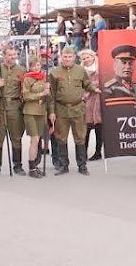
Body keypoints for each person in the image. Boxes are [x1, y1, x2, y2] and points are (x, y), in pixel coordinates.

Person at [48, 46, 100, 175]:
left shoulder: (80, 70)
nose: (67, 59)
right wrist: (52, 111)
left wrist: (94, 89)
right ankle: (63, 165)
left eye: (69, 56)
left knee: (80, 137)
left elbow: (86, 84)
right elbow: (51, 94)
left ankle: (82, 165)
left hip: (77, 108)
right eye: (65, 56)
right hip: (61, 109)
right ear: (61, 58)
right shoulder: (54, 73)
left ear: (74, 58)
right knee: (61, 138)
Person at [0, 46, 26, 176]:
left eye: (14, 55)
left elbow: (25, 89)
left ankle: (18, 165)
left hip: (15, 106)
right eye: (9, 55)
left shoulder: (21, 70)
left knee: (16, 137)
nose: (12, 57)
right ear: (4, 56)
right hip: (0, 105)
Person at [22, 56, 50, 178]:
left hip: (41, 111)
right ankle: (32, 167)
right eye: (34, 66)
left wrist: (48, 90)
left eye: (38, 65)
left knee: (38, 139)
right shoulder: (27, 79)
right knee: (34, 140)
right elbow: (26, 96)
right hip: (30, 111)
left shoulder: (44, 78)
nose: (36, 68)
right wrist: (41, 93)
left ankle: (36, 164)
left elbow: (48, 96)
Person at [80, 49, 103, 161]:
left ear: (93, 57)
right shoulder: (80, 70)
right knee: (86, 129)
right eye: (84, 58)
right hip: (87, 101)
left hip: (99, 101)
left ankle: (98, 152)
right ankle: (83, 153)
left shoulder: (101, 68)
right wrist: (90, 89)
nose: (86, 60)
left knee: (100, 129)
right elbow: (80, 86)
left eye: (87, 57)